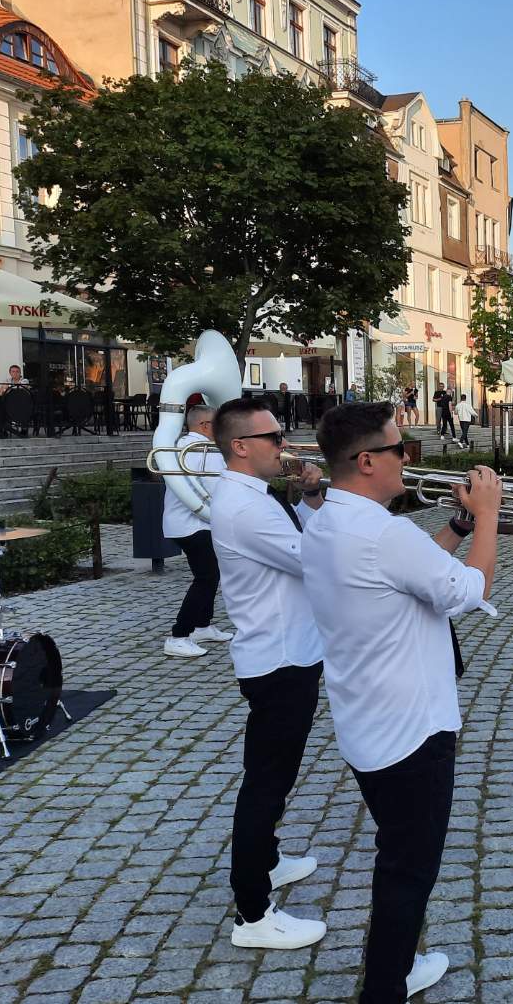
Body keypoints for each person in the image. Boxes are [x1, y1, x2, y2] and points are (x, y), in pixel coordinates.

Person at [302, 402, 502, 1001]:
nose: (407, 460)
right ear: (367, 462)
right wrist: (489, 518)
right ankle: (385, 987)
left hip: (366, 719)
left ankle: (401, 966)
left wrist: (460, 527)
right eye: (399, 450)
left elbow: (411, 573)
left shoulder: (326, 522)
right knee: (408, 872)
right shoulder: (382, 533)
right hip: (413, 729)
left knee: (399, 854)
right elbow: (469, 589)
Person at [208, 398, 328, 952]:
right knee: (265, 785)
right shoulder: (245, 506)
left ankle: (270, 861)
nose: (284, 445)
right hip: (280, 660)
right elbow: (315, 559)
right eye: (274, 437)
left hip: (287, 652)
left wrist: (308, 497)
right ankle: (253, 914)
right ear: (240, 445)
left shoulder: (253, 498)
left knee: (273, 778)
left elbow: (296, 548)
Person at [161, 403, 232, 658]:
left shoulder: (188, 446)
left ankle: (202, 626)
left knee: (210, 576)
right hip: (193, 523)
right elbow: (217, 488)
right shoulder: (200, 449)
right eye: (218, 424)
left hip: (193, 522)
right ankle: (179, 635)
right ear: (204, 426)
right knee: (206, 578)